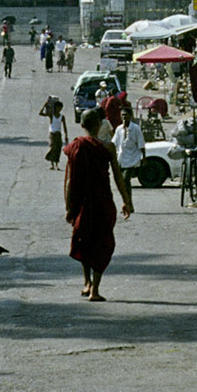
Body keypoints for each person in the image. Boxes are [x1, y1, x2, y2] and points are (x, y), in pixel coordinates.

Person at [64, 109, 133, 300]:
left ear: (82, 125)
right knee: (103, 243)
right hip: (103, 202)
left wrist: (69, 207)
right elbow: (118, 177)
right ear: (99, 125)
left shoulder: (76, 146)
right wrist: (126, 201)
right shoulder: (108, 147)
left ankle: (87, 283)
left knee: (83, 240)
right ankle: (94, 288)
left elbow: (70, 180)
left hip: (82, 203)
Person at [111, 102, 145, 192]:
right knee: (121, 181)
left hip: (132, 157)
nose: (124, 117)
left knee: (126, 179)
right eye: (122, 115)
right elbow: (114, 143)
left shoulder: (136, 128)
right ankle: (126, 200)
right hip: (121, 157)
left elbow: (141, 144)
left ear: (130, 116)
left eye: (126, 115)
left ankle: (128, 200)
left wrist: (143, 158)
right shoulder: (119, 129)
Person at [44, 98, 68, 170]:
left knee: (58, 149)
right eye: (58, 107)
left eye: (60, 108)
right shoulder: (52, 115)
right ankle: (52, 164)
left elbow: (64, 126)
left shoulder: (62, 117)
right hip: (52, 134)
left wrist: (66, 135)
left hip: (58, 134)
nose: (59, 109)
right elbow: (41, 113)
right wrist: (44, 105)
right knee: (52, 147)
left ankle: (56, 164)